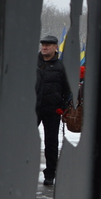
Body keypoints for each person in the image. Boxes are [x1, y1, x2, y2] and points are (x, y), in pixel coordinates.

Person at [36, 34, 72, 186]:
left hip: (52, 110)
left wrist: (62, 106)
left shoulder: (62, 66)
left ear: (56, 47)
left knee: (51, 143)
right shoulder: (33, 63)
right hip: (32, 109)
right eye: (43, 44)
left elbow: (68, 89)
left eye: (48, 45)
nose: (44, 47)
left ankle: (50, 174)